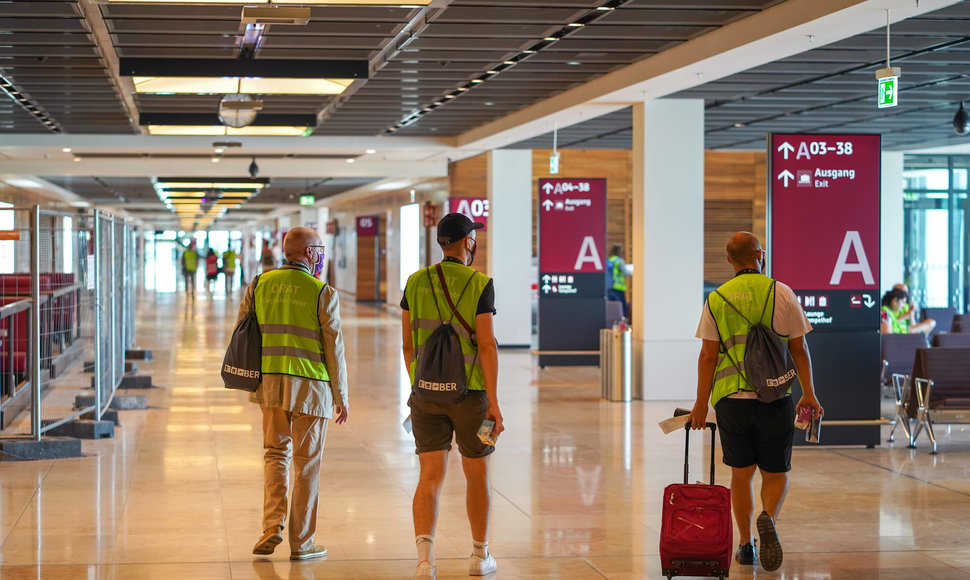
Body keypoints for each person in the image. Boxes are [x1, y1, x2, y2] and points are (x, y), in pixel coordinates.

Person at [689, 232, 823, 573]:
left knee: (741, 474)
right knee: (776, 471)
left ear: (729, 260)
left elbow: (707, 356)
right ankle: (769, 518)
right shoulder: (782, 292)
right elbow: (799, 349)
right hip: (776, 396)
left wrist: (700, 404)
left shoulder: (717, 298)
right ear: (760, 255)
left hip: (731, 400)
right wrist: (808, 392)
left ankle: (746, 545)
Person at [400, 213, 504, 579]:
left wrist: (421, 385)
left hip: (425, 395)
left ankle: (425, 562)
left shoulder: (414, 282)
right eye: (473, 237)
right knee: (478, 473)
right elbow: (487, 345)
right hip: (473, 397)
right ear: (467, 242)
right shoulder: (481, 283)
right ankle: (479, 556)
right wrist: (494, 402)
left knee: (429, 475)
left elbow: (408, 344)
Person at [238, 227, 349, 561]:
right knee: (306, 465)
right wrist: (341, 396)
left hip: (270, 386)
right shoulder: (322, 292)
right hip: (311, 388)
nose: (323, 255)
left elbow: (242, 332)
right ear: (309, 252)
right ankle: (302, 543)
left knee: (275, 455)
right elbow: (335, 349)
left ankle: (272, 527)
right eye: (321, 249)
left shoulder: (258, 285)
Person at [605, 243, 631, 318]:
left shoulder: (609, 260)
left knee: (612, 309)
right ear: (619, 251)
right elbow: (626, 273)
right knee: (621, 309)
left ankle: (612, 325)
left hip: (608, 287)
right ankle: (622, 325)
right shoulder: (619, 261)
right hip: (618, 288)